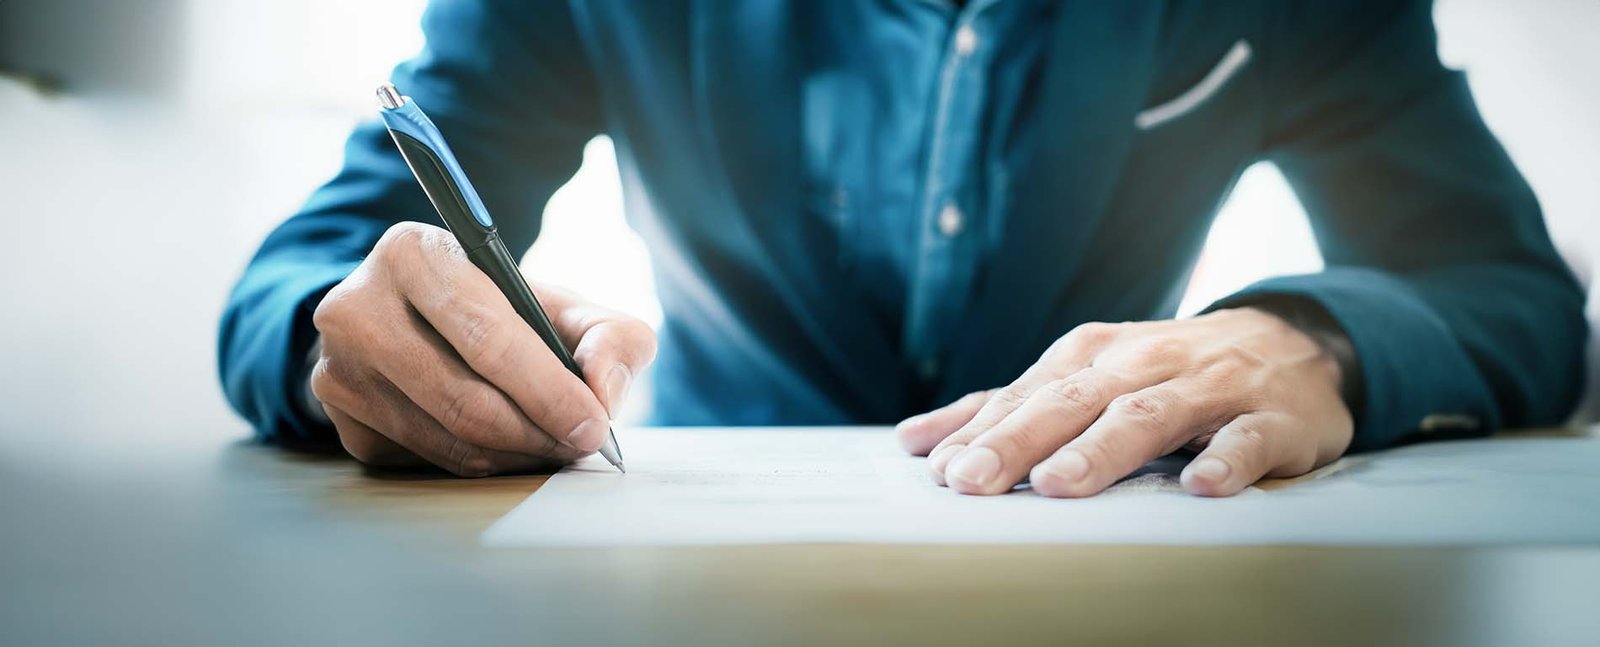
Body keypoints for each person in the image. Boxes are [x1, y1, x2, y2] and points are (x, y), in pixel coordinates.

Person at [219, 0, 1585, 497]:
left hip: (1106, 576)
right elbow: (307, 275)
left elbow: (1516, 298)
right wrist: (342, 344)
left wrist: (1314, 339)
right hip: (676, 573)